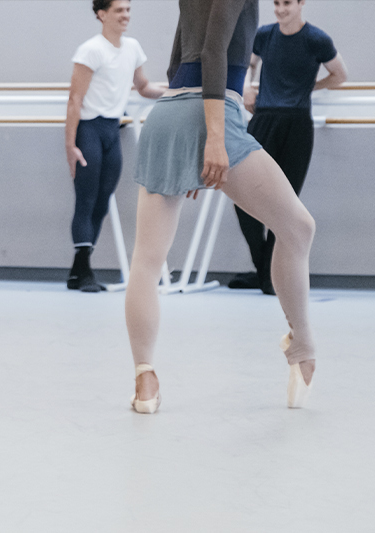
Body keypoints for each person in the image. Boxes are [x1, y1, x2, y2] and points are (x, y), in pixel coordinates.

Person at [126, 0, 318, 414]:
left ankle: (145, 380)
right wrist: (212, 138)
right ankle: (301, 347)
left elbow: (177, 60)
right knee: (299, 229)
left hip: (167, 117)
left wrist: (193, 154)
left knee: (146, 259)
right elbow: (214, 50)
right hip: (214, 115)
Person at [228, 0, 346, 295]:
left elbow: (340, 75)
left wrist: (310, 87)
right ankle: (263, 269)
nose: (280, 9)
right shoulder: (265, 35)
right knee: (243, 200)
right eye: (276, 3)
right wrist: (246, 88)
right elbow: (245, 64)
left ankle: (270, 278)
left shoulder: (316, 39)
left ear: (300, 3)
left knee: (285, 205)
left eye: (286, 3)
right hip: (263, 119)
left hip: (296, 125)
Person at [62, 0, 165, 292]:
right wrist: (70, 145)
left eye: (128, 10)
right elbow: (75, 100)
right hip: (89, 130)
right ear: (101, 14)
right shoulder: (90, 50)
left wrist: (175, 91)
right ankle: (83, 272)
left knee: (102, 202)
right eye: (119, 10)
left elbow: (143, 86)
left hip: (111, 130)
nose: (125, 15)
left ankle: (78, 270)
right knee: (86, 200)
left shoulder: (132, 48)